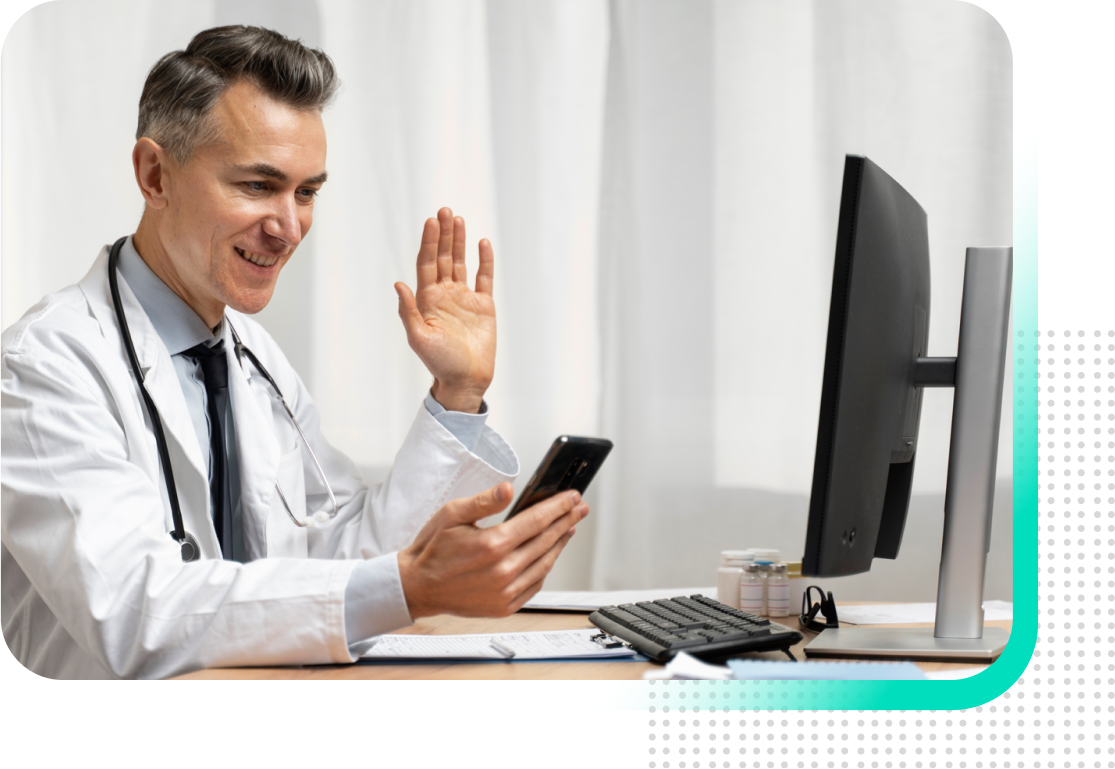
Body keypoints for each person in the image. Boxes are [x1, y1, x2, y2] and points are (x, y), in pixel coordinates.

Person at [0, 25, 587, 679]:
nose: (288, 227)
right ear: (155, 173)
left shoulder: (251, 357)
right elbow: (133, 610)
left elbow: (341, 560)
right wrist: (406, 587)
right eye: (257, 185)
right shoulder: (43, 366)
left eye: (306, 192)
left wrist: (457, 391)